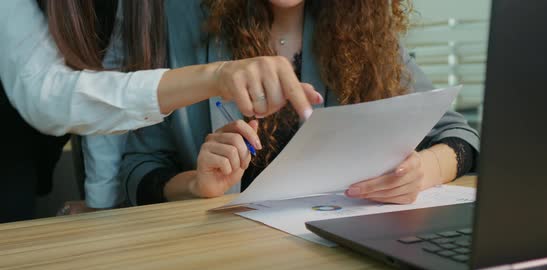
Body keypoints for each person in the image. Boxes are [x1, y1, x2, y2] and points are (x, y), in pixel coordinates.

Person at [121, 0, 480, 206]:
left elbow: (460, 138)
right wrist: (198, 186)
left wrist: (424, 170)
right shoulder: (179, 21)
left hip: (339, 255)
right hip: (220, 260)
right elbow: (139, 170)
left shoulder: (364, 28)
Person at [0, 0, 319, 221]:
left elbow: (111, 70)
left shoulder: (354, 37)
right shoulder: (188, 22)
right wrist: (215, 76)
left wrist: (101, 203)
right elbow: (48, 97)